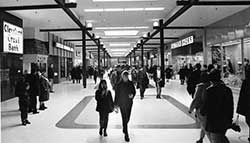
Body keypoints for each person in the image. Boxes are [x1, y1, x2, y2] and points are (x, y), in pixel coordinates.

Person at [201, 69, 234, 143]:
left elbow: (205, 106)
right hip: (224, 120)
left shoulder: (209, 91)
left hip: (213, 121)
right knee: (221, 136)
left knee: (216, 139)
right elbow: (231, 106)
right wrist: (230, 119)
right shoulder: (227, 90)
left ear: (211, 80)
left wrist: (202, 112)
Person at [114, 71, 136, 142]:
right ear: (122, 77)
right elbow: (117, 95)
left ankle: (124, 126)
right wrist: (116, 105)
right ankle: (126, 134)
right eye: (124, 76)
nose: (125, 78)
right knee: (124, 117)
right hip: (122, 103)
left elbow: (134, 91)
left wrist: (132, 95)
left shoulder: (130, 83)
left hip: (129, 103)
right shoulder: (119, 84)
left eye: (126, 76)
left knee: (127, 118)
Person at [189, 72, 210, 143]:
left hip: (201, 108)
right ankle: (201, 138)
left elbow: (196, 98)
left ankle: (208, 139)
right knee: (205, 124)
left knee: (204, 125)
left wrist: (191, 108)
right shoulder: (211, 85)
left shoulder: (200, 87)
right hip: (210, 108)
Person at [236, 68, 250, 142]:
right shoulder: (246, 81)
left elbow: (242, 95)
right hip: (248, 104)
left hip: (248, 104)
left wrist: (239, 107)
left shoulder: (246, 82)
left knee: (248, 120)